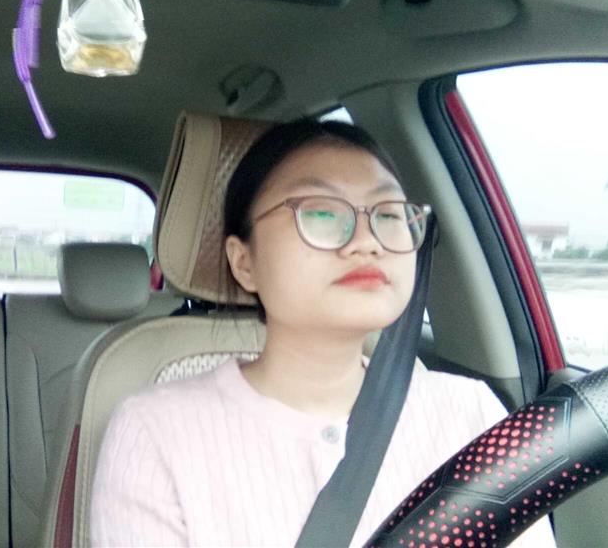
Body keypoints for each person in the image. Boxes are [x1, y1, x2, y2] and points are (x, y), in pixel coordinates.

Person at [90, 119, 555, 547]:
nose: (367, 241)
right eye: (321, 213)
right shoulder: (155, 431)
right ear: (244, 262)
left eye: (389, 215)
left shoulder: (471, 414)